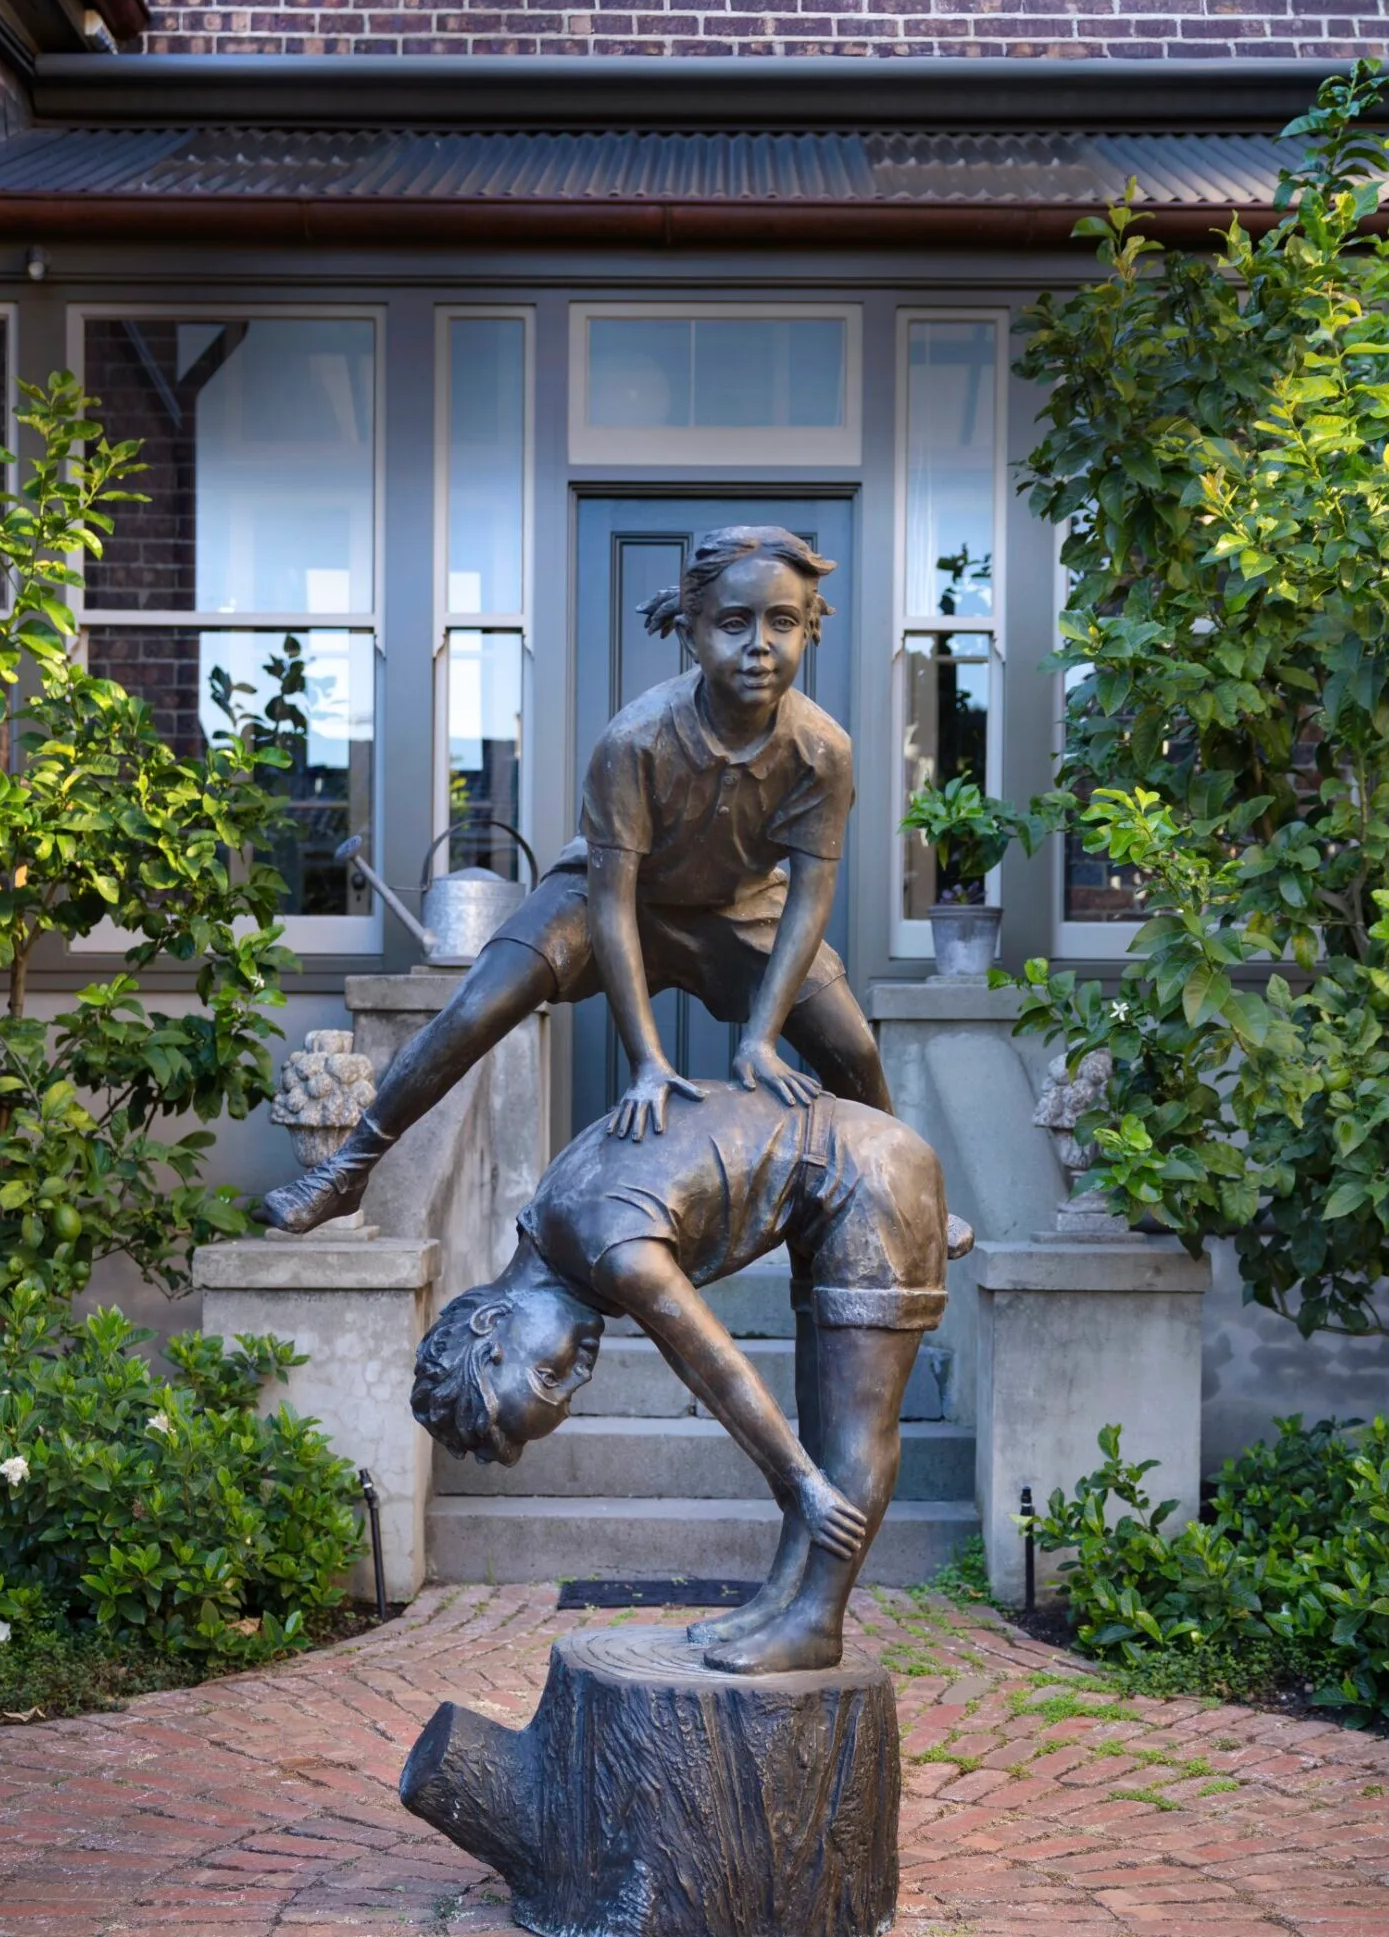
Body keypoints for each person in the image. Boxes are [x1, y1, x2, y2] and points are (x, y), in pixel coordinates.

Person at [260, 525, 894, 1235]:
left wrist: (759, 1038)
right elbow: (612, 903)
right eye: (734, 622)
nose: (760, 644)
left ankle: (903, 1196)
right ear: (692, 635)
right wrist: (648, 1060)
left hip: (741, 909)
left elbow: (810, 897)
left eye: (783, 623)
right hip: (606, 893)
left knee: (855, 1048)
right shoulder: (636, 740)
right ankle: (347, 1168)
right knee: (476, 1005)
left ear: (809, 629)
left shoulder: (822, 750)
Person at [410, 1081, 967, 1676]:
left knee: (855, 1424)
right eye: (570, 1392)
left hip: (868, 1179)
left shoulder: (610, 1252)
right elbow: (682, 1350)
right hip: (836, 1187)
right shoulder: (556, 1219)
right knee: (821, 1418)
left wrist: (799, 1479)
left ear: (494, 1321)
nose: (579, 1376)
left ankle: (817, 1623)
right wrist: (794, 1472)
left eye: (550, 1374)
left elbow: (717, 1366)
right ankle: (783, 1600)